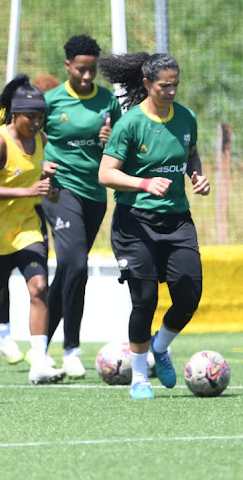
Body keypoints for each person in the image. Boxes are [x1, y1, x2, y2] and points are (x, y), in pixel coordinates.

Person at [98, 52, 210, 399]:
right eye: (165, 85)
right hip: (135, 223)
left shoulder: (186, 118)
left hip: (177, 220)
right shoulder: (130, 124)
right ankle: (139, 378)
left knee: (189, 295)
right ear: (147, 84)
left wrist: (197, 175)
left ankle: (161, 346)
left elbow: (189, 153)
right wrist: (145, 183)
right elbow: (106, 174)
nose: (172, 91)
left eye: (176, 84)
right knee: (144, 298)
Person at [0, 74, 66, 387]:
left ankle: (38, 361)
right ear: (15, 115)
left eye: (41, 117)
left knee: (39, 288)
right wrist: (29, 191)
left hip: (27, 228)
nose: (37, 123)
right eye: (31, 117)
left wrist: (50, 191)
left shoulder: (40, 140)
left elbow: (44, 184)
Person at [40, 35, 123, 378]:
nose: (87, 77)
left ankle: (39, 345)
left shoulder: (107, 102)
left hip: (95, 194)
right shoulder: (50, 101)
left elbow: (124, 144)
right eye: (80, 70)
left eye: (91, 71)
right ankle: (72, 349)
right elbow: (24, 137)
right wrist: (38, 167)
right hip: (60, 191)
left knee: (68, 271)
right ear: (67, 67)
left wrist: (111, 139)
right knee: (75, 264)